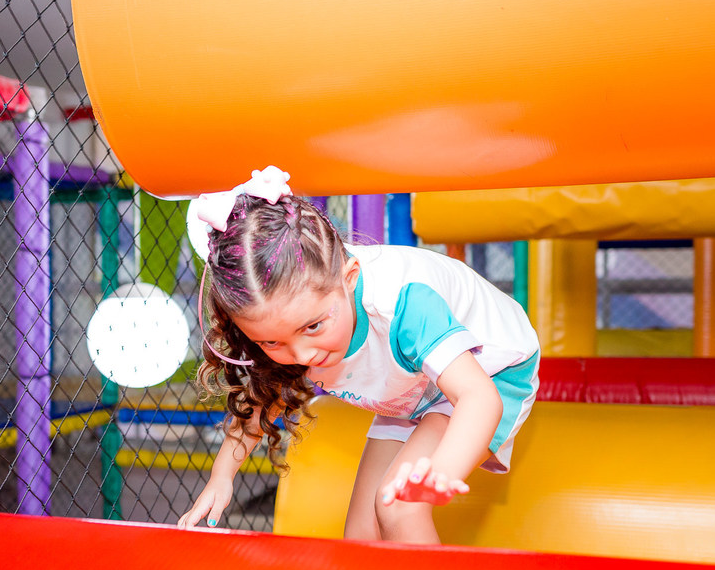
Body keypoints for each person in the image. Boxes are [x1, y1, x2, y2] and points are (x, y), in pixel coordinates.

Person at [177, 167, 540, 544]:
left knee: (400, 507)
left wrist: (440, 471)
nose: (302, 354)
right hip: (414, 384)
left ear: (349, 277)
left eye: (313, 327)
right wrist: (221, 477)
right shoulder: (296, 320)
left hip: (490, 369)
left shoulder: (402, 305)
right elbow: (262, 400)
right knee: (361, 536)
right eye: (271, 343)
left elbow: (478, 398)